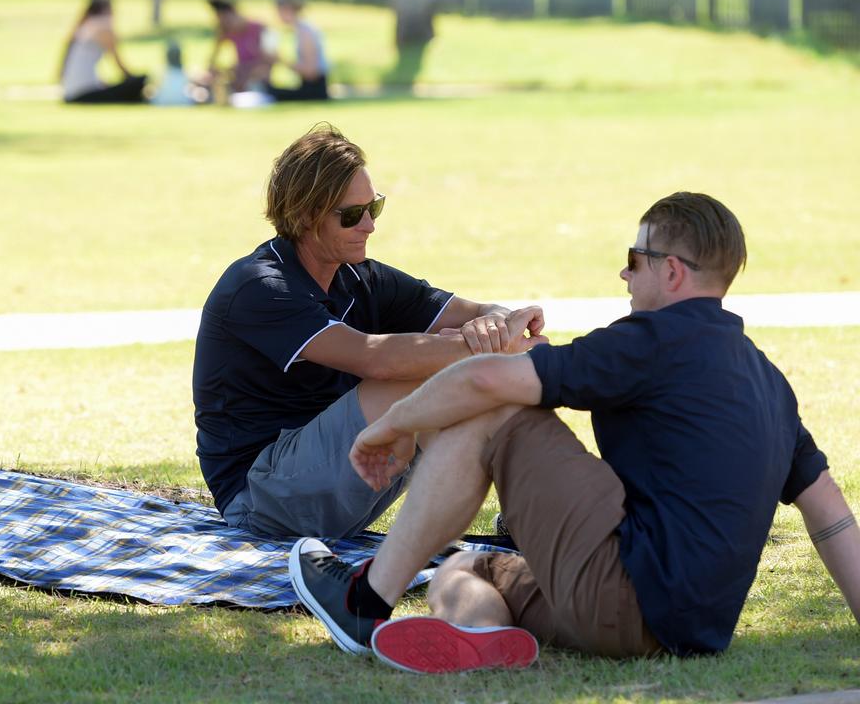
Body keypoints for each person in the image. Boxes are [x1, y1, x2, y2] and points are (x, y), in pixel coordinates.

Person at [290, 192, 860, 673]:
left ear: (672, 270)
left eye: (634, 258)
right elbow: (830, 514)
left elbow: (487, 380)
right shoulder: (770, 381)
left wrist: (389, 425)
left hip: (626, 592)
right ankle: (481, 636)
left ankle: (362, 601)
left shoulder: (650, 340)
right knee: (465, 567)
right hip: (679, 632)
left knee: (493, 411)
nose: (623, 271)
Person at [193, 123, 546, 541]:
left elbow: (474, 310)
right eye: (351, 215)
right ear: (305, 215)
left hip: (327, 481)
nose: (369, 226)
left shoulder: (359, 277)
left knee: (480, 379)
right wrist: (487, 351)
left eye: (373, 208)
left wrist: (500, 322)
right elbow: (374, 359)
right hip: (259, 500)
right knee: (441, 378)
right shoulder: (259, 286)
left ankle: (528, 526)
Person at [60, 0, 146, 104]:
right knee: (139, 82)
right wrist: (133, 80)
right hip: (83, 93)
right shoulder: (101, 28)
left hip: (72, 92)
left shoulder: (85, 28)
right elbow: (120, 66)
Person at [205, 0, 275, 96]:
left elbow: (271, 60)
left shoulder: (260, 28)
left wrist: (245, 70)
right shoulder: (226, 31)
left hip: (258, 79)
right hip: (239, 77)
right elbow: (212, 61)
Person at [267, 0, 330, 102]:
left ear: (288, 9)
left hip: (315, 91)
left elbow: (311, 73)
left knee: (270, 93)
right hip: (308, 87)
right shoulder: (301, 30)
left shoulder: (306, 32)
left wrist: (281, 61)